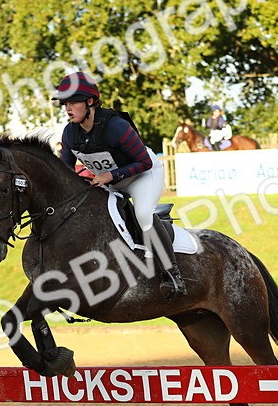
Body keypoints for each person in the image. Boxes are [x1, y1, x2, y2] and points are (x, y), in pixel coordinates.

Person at [54, 71, 185, 297]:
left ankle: (173, 274)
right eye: (66, 103)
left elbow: (143, 161)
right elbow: (64, 171)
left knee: (143, 214)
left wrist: (109, 176)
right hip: (111, 183)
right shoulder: (69, 133)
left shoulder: (115, 126)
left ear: (90, 101)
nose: (68, 108)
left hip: (143, 176)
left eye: (73, 102)